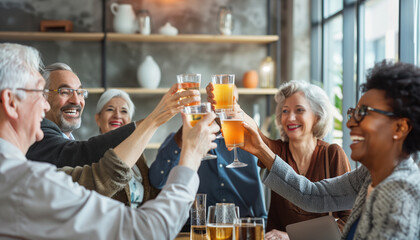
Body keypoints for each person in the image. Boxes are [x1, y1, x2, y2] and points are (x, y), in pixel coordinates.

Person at [0, 43, 220, 239]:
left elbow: (94, 178)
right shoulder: (25, 183)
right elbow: (147, 230)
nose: (45, 105)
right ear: (10, 102)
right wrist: (190, 155)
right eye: (39, 92)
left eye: (79, 93)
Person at [241, 60, 420, 239]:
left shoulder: (400, 192)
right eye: (353, 113)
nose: (350, 123)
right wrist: (259, 148)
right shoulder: (368, 175)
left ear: (400, 128)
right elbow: (311, 195)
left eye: (364, 113)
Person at [206, 80, 351, 239]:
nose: (290, 118)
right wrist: (225, 107)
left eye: (299, 110)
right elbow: (250, 133)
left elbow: (349, 221)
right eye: (285, 111)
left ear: (317, 117)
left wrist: (292, 236)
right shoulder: (278, 151)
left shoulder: (332, 155)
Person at [26, 62, 200, 168]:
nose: (76, 100)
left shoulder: (67, 138)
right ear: (42, 97)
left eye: (80, 92)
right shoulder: (37, 135)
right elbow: (81, 154)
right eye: (65, 91)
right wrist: (154, 118)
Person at [94, 89, 159, 207]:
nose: (117, 115)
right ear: (98, 119)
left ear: (129, 120)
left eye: (124, 111)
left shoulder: (138, 156)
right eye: (110, 109)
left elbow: (151, 194)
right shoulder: (91, 154)